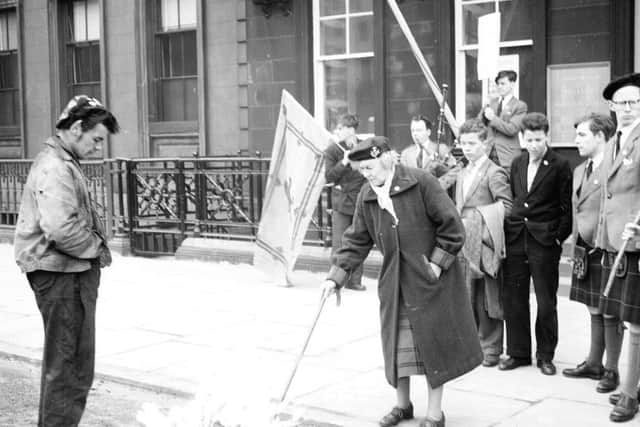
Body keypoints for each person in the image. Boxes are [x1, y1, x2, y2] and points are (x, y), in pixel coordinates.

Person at [321, 136, 482, 427]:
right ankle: (403, 406)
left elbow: (453, 227)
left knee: (434, 348)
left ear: (385, 159)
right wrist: (336, 277)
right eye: (361, 170)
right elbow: (356, 240)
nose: (365, 174)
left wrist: (435, 264)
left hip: (431, 280)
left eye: (369, 167)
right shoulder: (366, 195)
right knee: (399, 350)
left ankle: (435, 414)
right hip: (395, 282)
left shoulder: (421, 183)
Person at [14, 95, 119, 426]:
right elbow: (61, 229)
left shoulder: (60, 161)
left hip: (65, 274)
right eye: (96, 139)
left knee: (68, 365)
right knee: (69, 367)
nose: (98, 147)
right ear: (76, 128)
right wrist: (97, 249)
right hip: (63, 276)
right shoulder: (56, 166)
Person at [499, 112, 572, 376]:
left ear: (547, 136)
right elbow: (518, 199)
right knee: (514, 298)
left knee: (545, 301)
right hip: (517, 238)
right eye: (529, 139)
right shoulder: (517, 163)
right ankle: (518, 353)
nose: (534, 145)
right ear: (521, 138)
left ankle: (545, 355)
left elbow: (566, 208)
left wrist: (556, 237)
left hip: (544, 241)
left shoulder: (560, 165)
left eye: (539, 139)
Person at [562, 114, 624, 395]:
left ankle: (611, 369)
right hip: (585, 247)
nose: (576, 141)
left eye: (582, 135)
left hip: (608, 245)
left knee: (611, 311)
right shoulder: (580, 170)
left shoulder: (616, 167)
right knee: (594, 307)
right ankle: (594, 363)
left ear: (601, 137)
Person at [595, 73, 640, 423]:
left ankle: (629, 395)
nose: (627, 108)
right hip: (615, 240)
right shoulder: (614, 140)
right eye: (621, 103)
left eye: (634, 102)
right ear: (612, 107)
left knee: (637, 324)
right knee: (629, 319)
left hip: (636, 240)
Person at [455, 119, 513, 368]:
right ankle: (471, 345)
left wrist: (477, 219)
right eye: (463, 143)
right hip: (463, 241)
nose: (467, 148)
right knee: (465, 295)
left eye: (472, 143)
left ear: (485, 144)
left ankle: (491, 348)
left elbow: (507, 206)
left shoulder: (494, 172)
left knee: (487, 297)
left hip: (484, 240)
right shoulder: (462, 172)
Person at [324, 114, 367, 291]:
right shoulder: (333, 150)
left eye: (340, 128)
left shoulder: (364, 146)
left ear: (350, 130)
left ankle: (355, 280)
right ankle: (336, 280)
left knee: (358, 240)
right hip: (341, 203)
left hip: (359, 201)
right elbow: (329, 176)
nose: (338, 132)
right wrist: (344, 161)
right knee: (340, 243)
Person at [479, 70, 528, 172]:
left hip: (507, 157)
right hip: (488, 154)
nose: (499, 86)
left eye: (503, 83)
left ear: (512, 84)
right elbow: (479, 124)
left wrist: (493, 118)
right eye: (498, 84)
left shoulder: (519, 106)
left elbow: (512, 129)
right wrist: (485, 107)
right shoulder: (492, 102)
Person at [400, 115, 459, 190]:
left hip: (436, 195)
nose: (415, 134)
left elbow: (455, 170)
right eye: (413, 130)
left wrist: (440, 184)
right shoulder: (406, 154)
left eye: (419, 130)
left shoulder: (440, 149)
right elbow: (402, 176)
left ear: (428, 132)